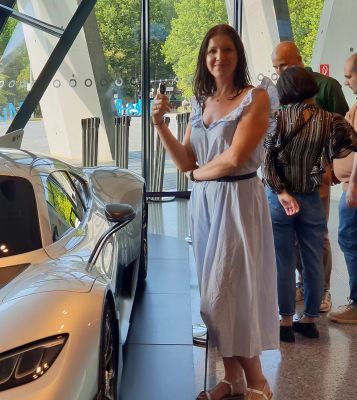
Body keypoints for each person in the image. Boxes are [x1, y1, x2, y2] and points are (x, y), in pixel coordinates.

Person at [152, 24, 278, 400]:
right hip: (205, 204)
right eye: (212, 51)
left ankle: (259, 381)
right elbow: (185, 160)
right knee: (213, 294)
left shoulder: (255, 98)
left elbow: (235, 158)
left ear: (238, 55)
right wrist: (160, 126)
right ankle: (232, 377)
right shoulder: (202, 103)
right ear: (204, 58)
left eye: (226, 49)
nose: (218, 57)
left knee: (227, 294)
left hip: (238, 201)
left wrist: (197, 175)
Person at [263, 67, 357, 343]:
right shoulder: (330, 120)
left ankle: (284, 321)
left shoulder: (276, 119)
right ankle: (310, 319)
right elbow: (351, 145)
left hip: (280, 200)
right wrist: (327, 163)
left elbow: (266, 163)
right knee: (313, 259)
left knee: (282, 259)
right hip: (312, 197)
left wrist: (282, 192)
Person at [271, 42, 349, 312]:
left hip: (316, 178)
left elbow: (342, 128)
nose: (279, 71)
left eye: (283, 65)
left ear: (299, 59)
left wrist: (333, 168)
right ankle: (304, 286)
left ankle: (321, 291)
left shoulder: (327, 86)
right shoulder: (278, 92)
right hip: (288, 180)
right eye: (276, 67)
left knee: (316, 237)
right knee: (291, 240)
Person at [328, 53, 357, 323]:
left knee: (350, 240)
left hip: (354, 190)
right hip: (349, 184)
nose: (346, 81)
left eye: (349, 76)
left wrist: (353, 183)